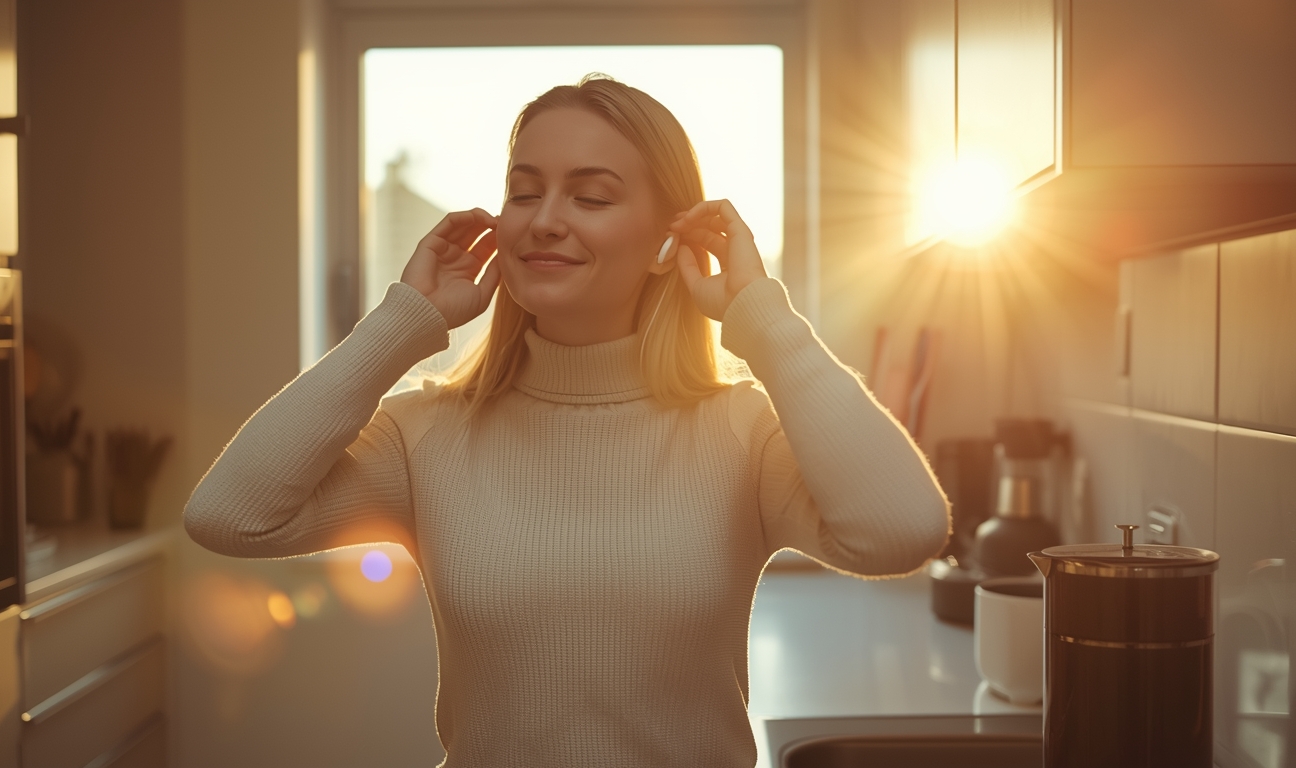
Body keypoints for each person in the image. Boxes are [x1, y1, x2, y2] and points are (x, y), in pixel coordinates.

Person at [184, 74, 950, 768]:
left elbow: (903, 530)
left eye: (590, 196)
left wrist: (763, 319)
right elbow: (229, 517)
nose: (545, 220)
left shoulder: (740, 430)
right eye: (524, 193)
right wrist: (402, 324)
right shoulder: (426, 433)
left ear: (666, 243)